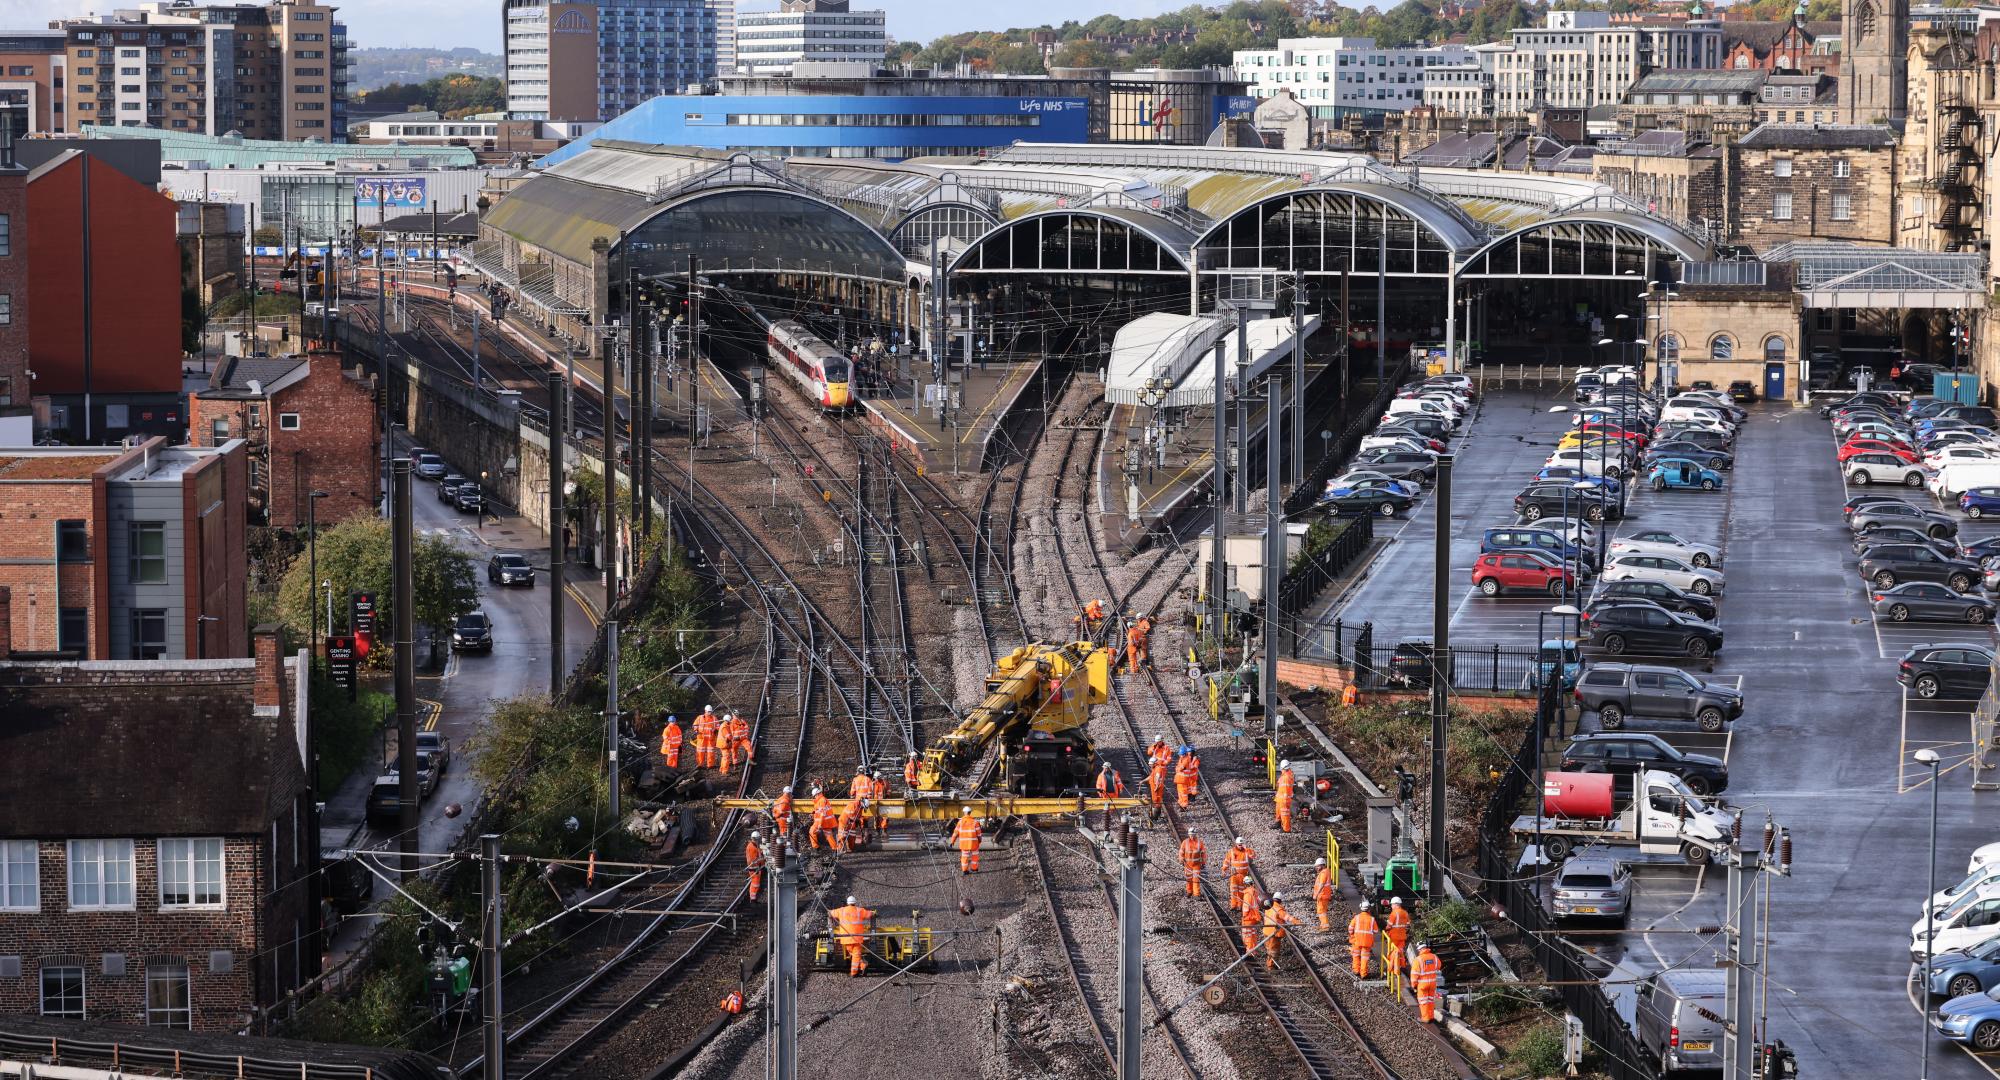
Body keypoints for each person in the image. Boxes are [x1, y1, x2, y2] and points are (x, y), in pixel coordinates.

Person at [830, 896, 877, 977]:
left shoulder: (841, 910)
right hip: (857, 937)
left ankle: (859, 969)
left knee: (854, 954)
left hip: (846, 938)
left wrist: (829, 912)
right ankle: (857, 970)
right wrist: (874, 913)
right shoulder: (860, 910)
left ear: (847, 903)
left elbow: (830, 913)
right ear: (855, 903)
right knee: (856, 954)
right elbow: (870, 914)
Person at [1263, 892, 1299, 969]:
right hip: (1274, 933)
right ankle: (1270, 966)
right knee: (1274, 950)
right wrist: (1296, 922)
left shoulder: (1268, 906)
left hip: (1267, 930)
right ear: (1280, 900)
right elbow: (1287, 917)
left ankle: (1269, 963)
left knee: (1269, 949)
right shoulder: (1279, 909)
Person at [1347, 901, 1380, 979]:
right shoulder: (1372, 919)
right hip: (1367, 942)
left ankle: (1356, 971)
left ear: (1361, 908)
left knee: (1356, 956)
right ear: (1369, 909)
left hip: (1356, 941)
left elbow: (1350, 928)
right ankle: (1363, 974)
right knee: (1364, 958)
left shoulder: (1357, 917)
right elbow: (1375, 931)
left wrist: (1352, 935)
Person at [1222, 837, 1255, 911]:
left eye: (1241, 844)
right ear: (1236, 844)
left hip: (1243, 875)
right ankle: (1233, 905)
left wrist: (1247, 849)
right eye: (1239, 845)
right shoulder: (1231, 852)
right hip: (1234, 875)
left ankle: (1240, 905)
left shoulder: (1246, 852)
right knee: (1233, 890)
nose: (1240, 846)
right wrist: (1224, 870)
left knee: (1241, 891)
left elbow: (1253, 855)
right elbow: (1226, 861)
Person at [1413, 942, 1442, 1022]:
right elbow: (1439, 966)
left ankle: (1425, 1018)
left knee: (1423, 1002)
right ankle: (1431, 1016)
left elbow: (1414, 975)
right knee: (1430, 1000)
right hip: (1432, 983)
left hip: (1422, 985)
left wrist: (1414, 985)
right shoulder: (1434, 957)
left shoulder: (1418, 960)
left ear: (1419, 949)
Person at [952, 806, 983, 874]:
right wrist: (979, 840)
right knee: (975, 857)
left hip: (964, 844)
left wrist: (952, 841)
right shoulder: (975, 822)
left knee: (964, 858)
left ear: (964, 813)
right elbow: (979, 834)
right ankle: (974, 869)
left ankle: (965, 871)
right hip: (974, 844)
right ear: (970, 812)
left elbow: (955, 833)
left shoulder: (960, 822)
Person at [1383, 896, 1413, 964]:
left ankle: (1392, 968)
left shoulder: (1393, 913)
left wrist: (1385, 929)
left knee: (1392, 952)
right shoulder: (1405, 913)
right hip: (1402, 936)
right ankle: (1401, 965)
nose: (1391, 906)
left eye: (1392, 904)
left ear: (1396, 904)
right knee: (1400, 952)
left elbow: (1389, 926)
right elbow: (1408, 924)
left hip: (1394, 937)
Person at [1178, 830, 1206, 898]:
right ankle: (1189, 892)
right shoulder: (1185, 842)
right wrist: (1181, 859)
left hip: (1196, 865)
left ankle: (1196, 894)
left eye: (1193, 834)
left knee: (1196, 879)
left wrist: (1203, 862)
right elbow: (1181, 851)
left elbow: (1203, 853)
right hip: (1188, 865)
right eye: (1191, 834)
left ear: (1195, 834)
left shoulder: (1199, 843)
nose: (1192, 836)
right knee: (1189, 878)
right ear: (1189, 834)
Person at [1239, 886, 1266, 955]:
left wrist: (1244, 916)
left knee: (1248, 935)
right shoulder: (1255, 892)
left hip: (1248, 918)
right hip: (1254, 918)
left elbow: (1246, 908)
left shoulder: (1247, 894)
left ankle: (1249, 951)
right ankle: (1254, 951)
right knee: (1253, 935)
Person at [1312, 857, 1336, 931]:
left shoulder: (1323, 873)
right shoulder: (1326, 872)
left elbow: (1322, 884)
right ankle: (1323, 925)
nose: (1316, 868)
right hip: (1324, 895)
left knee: (1321, 911)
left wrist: (1316, 894)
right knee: (1322, 911)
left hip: (1322, 895)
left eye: (1318, 866)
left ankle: (1325, 926)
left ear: (1322, 865)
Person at [1275, 759, 1297, 833]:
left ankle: (1286, 829)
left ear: (1282, 768)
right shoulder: (1287, 774)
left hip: (1284, 798)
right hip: (1280, 797)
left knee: (1284, 813)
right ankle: (1278, 822)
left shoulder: (1286, 777)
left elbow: (1284, 788)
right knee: (1278, 811)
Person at [745, 832, 764, 901]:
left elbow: (758, 853)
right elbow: (754, 860)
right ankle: (753, 899)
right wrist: (763, 859)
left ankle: (753, 898)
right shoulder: (752, 848)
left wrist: (761, 852)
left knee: (755, 884)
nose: (759, 840)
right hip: (754, 869)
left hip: (756, 868)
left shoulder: (754, 845)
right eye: (758, 839)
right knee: (755, 884)